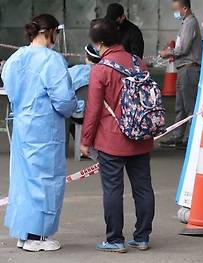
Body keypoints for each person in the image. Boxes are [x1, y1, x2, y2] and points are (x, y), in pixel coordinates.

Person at [1, 14, 77, 252]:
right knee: (45, 182)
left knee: (24, 182)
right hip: (45, 129)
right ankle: (37, 236)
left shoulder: (15, 58)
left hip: (23, 126)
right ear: (51, 32)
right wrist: (77, 106)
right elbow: (64, 100)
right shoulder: (52, 60)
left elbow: (11, 91)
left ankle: (24, 234)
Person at [81, 19, 155, 253]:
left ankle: (115, 240)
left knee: (113, 189)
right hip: (141, 136)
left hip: (112, 139)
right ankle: (142, 237)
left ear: (99, 43)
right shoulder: (138, 62)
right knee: (143, 188)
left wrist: (85, 141)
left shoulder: (101, 69)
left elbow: (92, 110)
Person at [159, 0, 203, 149]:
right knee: (181, 106)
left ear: (185, 9)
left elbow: (183, 48)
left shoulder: (190, 22)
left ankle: (190, 138)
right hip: (183, 68)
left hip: (189, 68)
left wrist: (168, 52)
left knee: (189, 106)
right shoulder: (186, 22)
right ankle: (178, 136)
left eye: (176, 10)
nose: (175, 13)